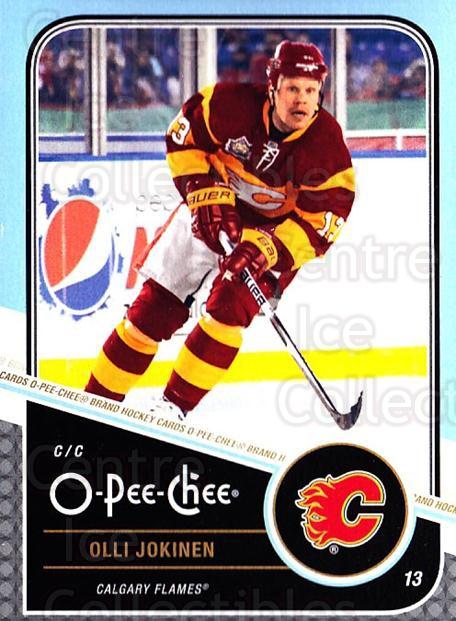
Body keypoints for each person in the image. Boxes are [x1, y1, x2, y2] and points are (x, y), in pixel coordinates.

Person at [85, 40, 355, 419]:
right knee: (152, 310)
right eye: (293, 88)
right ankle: (90, 406)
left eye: (311, 90)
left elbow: (320, 222)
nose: (302, 100)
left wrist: (265, 250)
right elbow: (184, 137)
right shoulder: (230, 103)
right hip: (210, 209)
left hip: (270, 236)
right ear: (273, 86)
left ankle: (171, 408)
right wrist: (203, 192)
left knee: (229, 309)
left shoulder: (327, 148)